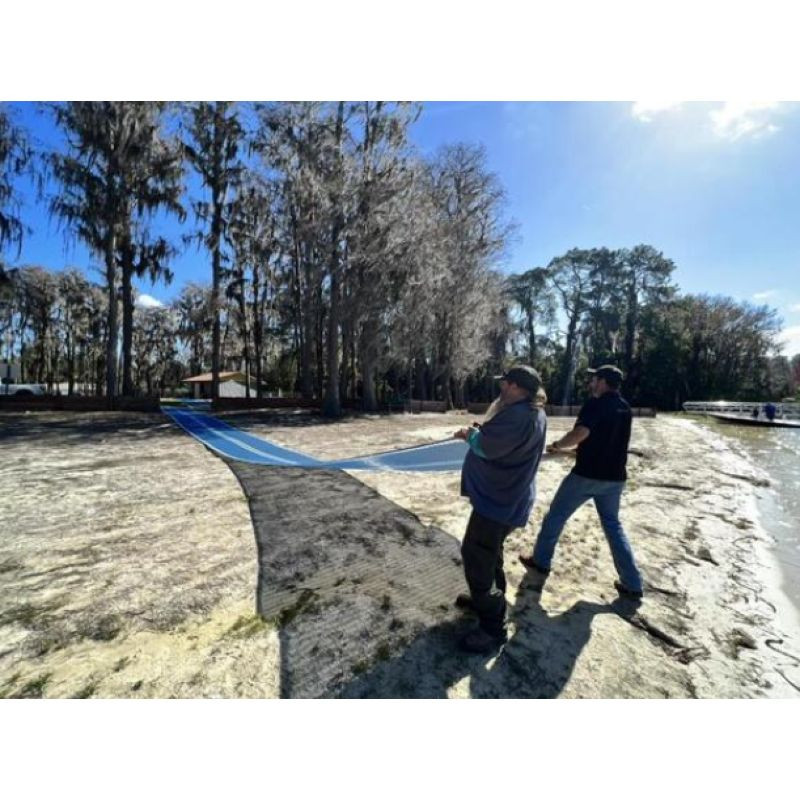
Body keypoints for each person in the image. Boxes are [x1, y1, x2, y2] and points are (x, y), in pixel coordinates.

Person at [518, 364, 644, 600]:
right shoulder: (625, 408)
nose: (590, 383)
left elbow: (581, 434)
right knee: (613, 527)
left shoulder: (595, 404)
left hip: (586, 476)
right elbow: (606, 441)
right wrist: (574, 451)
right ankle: (633, 582)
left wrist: (558, 445)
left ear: (603, 381)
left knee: (556, 517)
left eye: (594, 379)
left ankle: (541, 562)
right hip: (615, 479)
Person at [454, 365, 547, 653]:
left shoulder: (519, 415)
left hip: (498, 502)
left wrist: (469, 435)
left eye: (505, 384)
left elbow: (487, 448)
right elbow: (504, 443)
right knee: (490, 552)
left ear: (517, 387)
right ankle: (490, 599)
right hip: (508, 498)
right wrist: (481, 432)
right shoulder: (534, 412)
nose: (501, 388)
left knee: (476, 557)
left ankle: (493, 628)